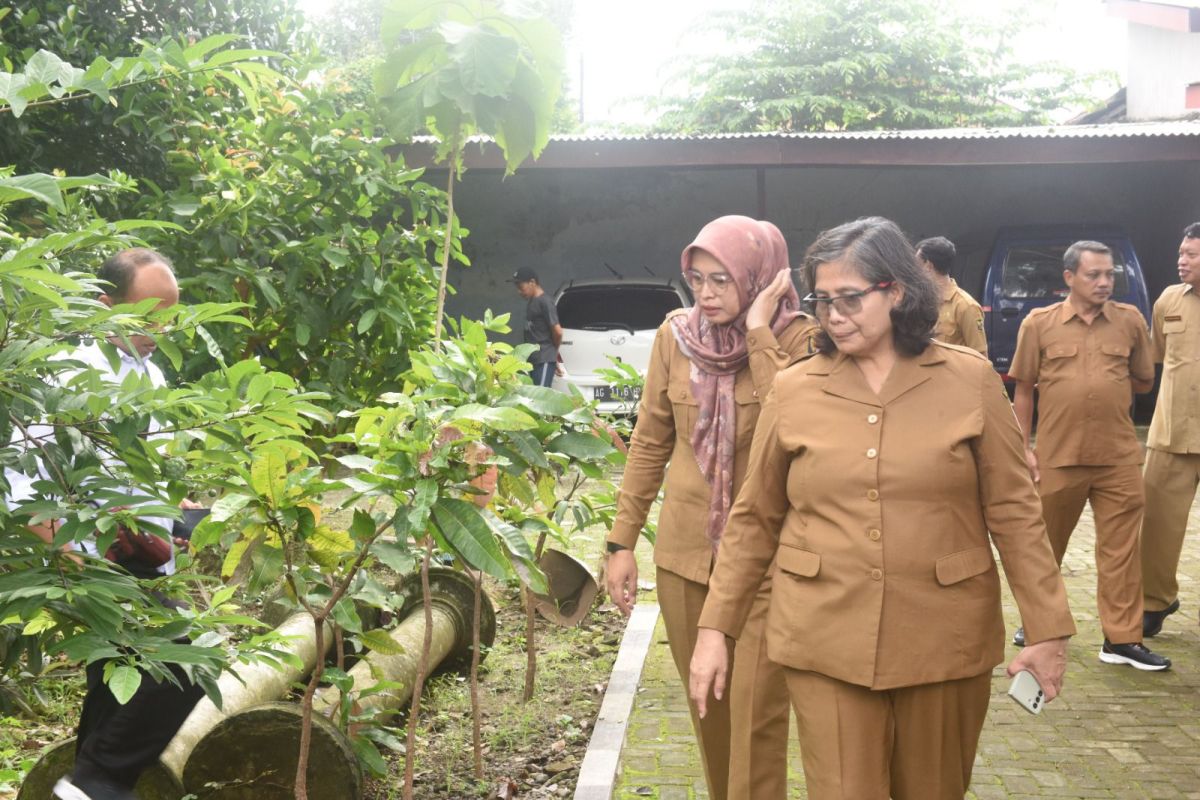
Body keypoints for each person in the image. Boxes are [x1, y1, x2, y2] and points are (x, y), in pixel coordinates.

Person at [689, 217, 1075, 800]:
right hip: (825, 634)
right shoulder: (796, 389)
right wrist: (715, 630)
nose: (833, 315)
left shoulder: (968, 381)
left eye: (849, 299)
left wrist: (1047, 630)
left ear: (895, 290)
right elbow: (754, 519)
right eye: (822, 300)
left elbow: (1016, 513)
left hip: (944, 636)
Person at [604, 216, 819, 800]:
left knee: (755, 719)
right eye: (697, 279)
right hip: (685, 559)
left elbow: (798, 426)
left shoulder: (799, 340)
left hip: (767, 567)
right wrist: (621, 543)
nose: (706, 293)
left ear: (762, 279)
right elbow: (650, 441)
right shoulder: (675, 337)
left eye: (722, 279)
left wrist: (757, 332)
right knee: (710, 713)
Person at [3, 248, 206, 800]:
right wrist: (66, 559)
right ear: (104, 306)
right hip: (94, 561)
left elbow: (153, 473)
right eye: (148, 318)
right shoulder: (68, 373)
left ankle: (84, 786)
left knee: (115, 689)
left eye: (169, 317)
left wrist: (178, 518)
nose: (159, 330)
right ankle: (93, 785)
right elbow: (23, 482)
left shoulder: (153, 373)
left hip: (147, 556)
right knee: (186, 664)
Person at [1008, 241, 1169, 670]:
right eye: (1093, 275)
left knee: (1120, 553)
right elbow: (1022, 389)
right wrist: (1023, 448)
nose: (1103, 282)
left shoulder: (1130, 321)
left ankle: (1121, 640)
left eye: (1109, 275)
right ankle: (1039, 625)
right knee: (1045, 547)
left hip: (1117, 457)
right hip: (1059, 456)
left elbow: (1142, 380)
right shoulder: (1039, 324)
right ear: (1069, 278)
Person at [1140, 222, 1200, 638]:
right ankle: (1153, 602)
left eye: (1192, 254)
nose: (1182, 260)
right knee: (1155, 527)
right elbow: (1153, 362)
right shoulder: (1167, 300)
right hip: (1171, 434)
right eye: (1181, 252)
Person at [915, 236, 988, 356]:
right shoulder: (921, 302)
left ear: (928, 266)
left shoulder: (966, 306)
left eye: (917, 264)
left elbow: (981, 357)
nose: (914, 270)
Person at [509, 267, 562, 387]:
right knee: (532, 398)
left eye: (520, 287)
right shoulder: (533, 302)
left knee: (540, 398)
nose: (519, 291)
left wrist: (552, 355)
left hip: (543, 358)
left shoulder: (545, 302)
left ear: (532, 282)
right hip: (534, 360)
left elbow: (558, 332)